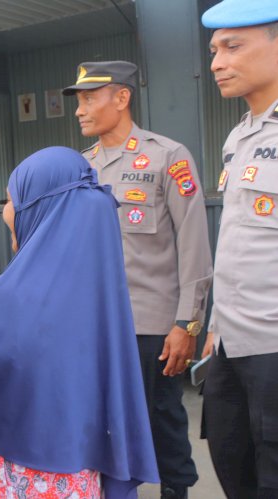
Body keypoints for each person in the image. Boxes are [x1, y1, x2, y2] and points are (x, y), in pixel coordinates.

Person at [0, 146, 159, 499]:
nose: (5, 211)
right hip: (79, 475)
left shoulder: (14, 294)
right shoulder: (96, 292)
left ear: (40, 206)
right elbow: (30, 337)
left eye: (11, 199)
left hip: (22, 475)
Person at [62, 61, 213, 499]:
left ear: (122, 98)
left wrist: (187, 322)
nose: (80, 110)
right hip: (94, 325)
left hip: (151, 322)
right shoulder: (80, 167)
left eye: (90, 99)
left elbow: (194, 246)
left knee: (161, 416)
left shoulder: (168, 156)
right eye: (80, 101)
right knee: (98, 419)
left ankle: (175, 490)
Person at [200, 2, 278, 496]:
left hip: (274, 344)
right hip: (231, 343)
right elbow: (237, 239)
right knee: (233, 460)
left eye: (233, 46)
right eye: (213, 50)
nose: (216, 63)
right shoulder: (239, 137)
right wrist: (213, 326)